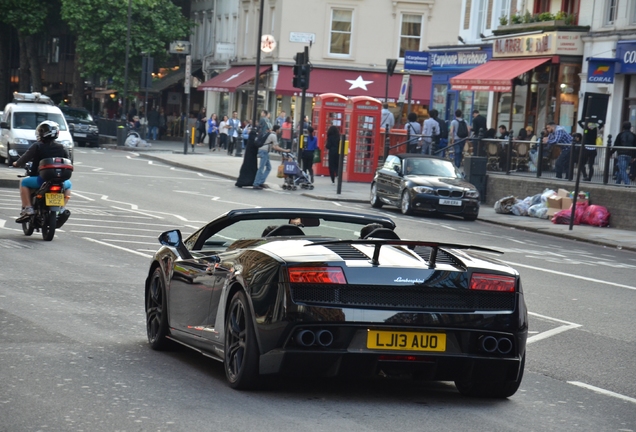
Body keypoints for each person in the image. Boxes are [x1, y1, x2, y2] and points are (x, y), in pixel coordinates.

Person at [13, 121, 72, 223]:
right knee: (69, 185)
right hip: (60, 181)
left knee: (23, 182)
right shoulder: (62, 147)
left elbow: (24, 158)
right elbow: (69, 162)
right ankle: (62, 208)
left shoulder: (37, 146)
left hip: (41, 180)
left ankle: (28, 208)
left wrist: (16, 163)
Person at [253, 125, 285, 189]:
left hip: (264, 151)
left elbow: (273, 146)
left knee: (269, 167)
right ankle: (256, 183)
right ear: (276, 130)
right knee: (261, 168)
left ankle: (260, 182)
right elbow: (276, 147)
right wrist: (285, 150)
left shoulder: (271, 134)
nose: (280, 130)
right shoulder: (273, 135)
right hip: (264, 151)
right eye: (279, 129)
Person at [612, 121, 636, 185]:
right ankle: (617, 182)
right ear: (630, 127)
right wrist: (634, 156)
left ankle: (627, 183)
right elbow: (635, 146)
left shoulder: (620, 135)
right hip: (629, 154)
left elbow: (615, 145)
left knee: (622, 169)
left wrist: (610, 153)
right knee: (622, 168)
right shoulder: (633, 135)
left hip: (621, 154)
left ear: (623, 127)